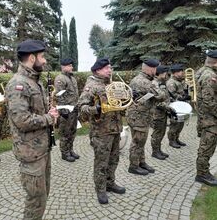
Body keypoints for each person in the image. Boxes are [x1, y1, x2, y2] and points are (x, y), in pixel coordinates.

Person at [5, 39, 59, 220]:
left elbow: (35, 112)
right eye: (42, 57)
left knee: (43, 195)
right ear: (31, 58)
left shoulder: (34, 81)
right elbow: (21, 120)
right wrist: (48, 118)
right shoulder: (18, 84)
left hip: (42, 149)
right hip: (30, 152)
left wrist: (48, 113)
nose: (44, 61)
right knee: (35, 199)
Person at [78, 58, 125, 205]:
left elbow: (120, 103)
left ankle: (110, 183)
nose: (110, 70)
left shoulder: (110, 84)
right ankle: (100, 188)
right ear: (98, 70)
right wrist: (95, 109)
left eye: (110, 68)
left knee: (114, 159)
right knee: (101, 162)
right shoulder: (91, 86)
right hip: (101, 131)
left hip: (115, 128)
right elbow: (81, 106)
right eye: (106, 68)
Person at [126, 58, 165, 175]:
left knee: (141, 141)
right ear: (149, 69)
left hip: (142, 116)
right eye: (154, 68)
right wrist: (155, 83)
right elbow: (161, 95)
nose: (156, 71)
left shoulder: (145, 79)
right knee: (137, 142)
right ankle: (133, 166)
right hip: (138, 117)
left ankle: (141, 162)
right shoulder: (143, 81)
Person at [195, 50, 217, 186]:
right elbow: (209, 101)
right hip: (210, 119)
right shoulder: (209, 75)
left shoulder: (201, 71)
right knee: (206, 147)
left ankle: (203, 172)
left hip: (206, 117)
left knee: (206, 146)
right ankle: (202, 174)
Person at [54, 58, 80, 162]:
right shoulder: (60, 78)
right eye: (69, 65)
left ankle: (70, 150)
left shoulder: (72, 78)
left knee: (72, 131)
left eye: (71, 65)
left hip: (74, 108)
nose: (71, 67)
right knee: (65, 132)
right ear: (63, 66)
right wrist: (63, 110)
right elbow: (60, 95)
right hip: (66, 110)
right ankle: (64, 153)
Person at [151, 65, 177, 160]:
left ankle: (158, 150)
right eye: (165, 73)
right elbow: (156, 101)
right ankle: (155, 152)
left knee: (161, 132)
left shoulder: (162, 83)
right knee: (157, 133)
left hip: (163, 112)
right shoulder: (154, 84)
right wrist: (168, 108)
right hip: (157, 113)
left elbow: (165, 96)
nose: (167, 75)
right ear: (161, 73)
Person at [166, 64, 191, 149]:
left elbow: (182, 91)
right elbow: (172, 95)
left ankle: (176, 139)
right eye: (181, 71)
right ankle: (171, 140)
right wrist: (183, 98)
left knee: (180, 124)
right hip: (175, 106)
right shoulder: (171, 82)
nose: (183, 73)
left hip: (181, 106)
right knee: (174, 124)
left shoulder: (180, 81)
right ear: (175, 73)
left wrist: (187, 92)